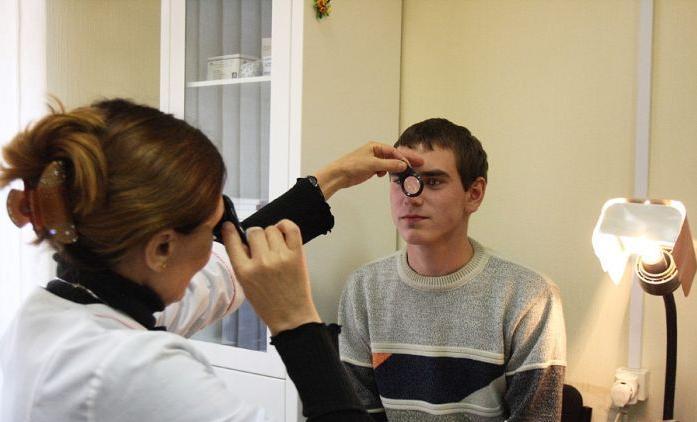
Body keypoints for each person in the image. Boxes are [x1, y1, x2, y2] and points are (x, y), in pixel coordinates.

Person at [0, 98, 423, 421]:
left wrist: (332, 178)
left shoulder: (51, 314)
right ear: (161, 248)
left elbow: (220, 271)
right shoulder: (135, 371)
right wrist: (297, 322)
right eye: (213, 229)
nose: (223, 242)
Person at [338, 118, 567, 421]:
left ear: (474, 194)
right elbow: (360, 411)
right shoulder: (363, 289)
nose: (411, 196)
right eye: (399, 180)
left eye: (433, 182)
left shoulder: (529, 297)